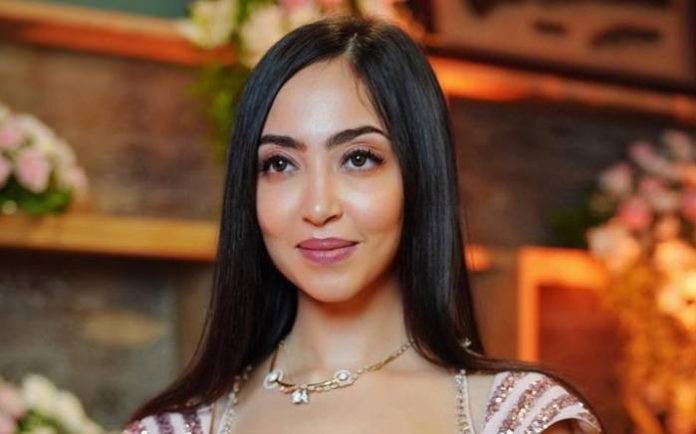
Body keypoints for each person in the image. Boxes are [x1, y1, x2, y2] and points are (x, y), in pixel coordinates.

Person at [122, 15, 603, 434]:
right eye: (280, 164)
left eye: (357, 158)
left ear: (418, 175)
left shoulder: (517, 418)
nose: (318, 207)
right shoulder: (177, 428)